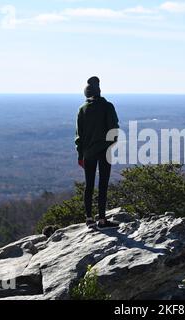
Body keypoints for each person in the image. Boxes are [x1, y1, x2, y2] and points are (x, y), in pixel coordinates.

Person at [75, 76, 120, 230]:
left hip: (88, 153)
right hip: (104, 151)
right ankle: (102, 220)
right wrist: (110, 144)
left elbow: (79, 136)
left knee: (89, 185)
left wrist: (80, 155)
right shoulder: (107, 106)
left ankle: (88, 219)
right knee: (103, 184)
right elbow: (114, 129)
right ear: (99, 91)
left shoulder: (82, 109)